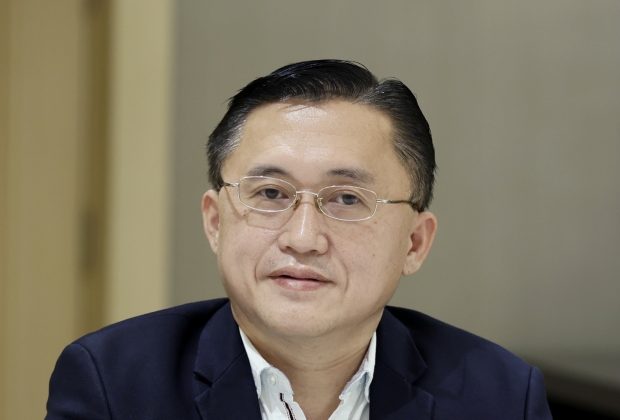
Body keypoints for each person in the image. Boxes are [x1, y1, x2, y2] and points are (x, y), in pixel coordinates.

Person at [46, 59, 552, 419]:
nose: (303, 238)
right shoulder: (114, 383)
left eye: (347, 199)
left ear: (414, 244)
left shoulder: (501, 396)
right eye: (270, 193)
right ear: (215, 222)